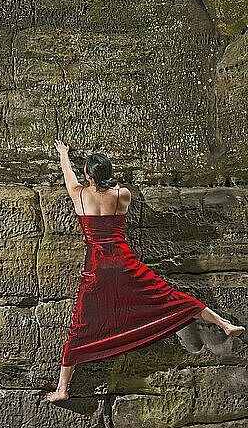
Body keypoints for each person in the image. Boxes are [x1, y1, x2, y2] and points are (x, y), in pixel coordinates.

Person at [47, 140, 246, 403]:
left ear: (87, 175)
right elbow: (112, 191)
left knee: (80, 325)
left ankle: (62, 389)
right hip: (125, 263)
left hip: (97, 268)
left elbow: (69, 177)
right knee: (168, 297)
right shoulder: (123, 195)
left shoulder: (80, 195)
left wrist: (64, 154)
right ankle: (223, 323)